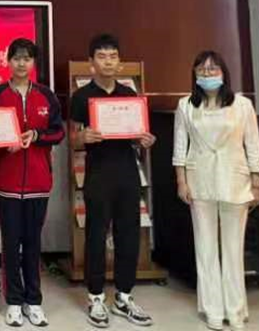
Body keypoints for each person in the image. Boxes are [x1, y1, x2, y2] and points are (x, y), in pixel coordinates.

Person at [173, 51, 259, 331]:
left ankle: (235, 310)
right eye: (202, 69)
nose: (208, 74)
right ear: (194, 74)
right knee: (205, 247)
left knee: (233, 248)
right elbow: (180, 147)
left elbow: (253, 145)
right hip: (199, 180)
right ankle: (212, 308)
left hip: (235, 179)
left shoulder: (242, 105)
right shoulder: (186, 105)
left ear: (224, 72)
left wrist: (257, 182)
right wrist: (181, 181)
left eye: (213, 69)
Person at [69, 34, 155, 328]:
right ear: (91, 62)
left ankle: (124, 296)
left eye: (113, 56)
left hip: (127, 172)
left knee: (128, 234)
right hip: (98, 174)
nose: (108, 61)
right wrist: (83, 136)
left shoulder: (129, 95)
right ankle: (95, 296)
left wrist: (145, 140)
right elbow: (73, 139)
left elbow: (138, 136)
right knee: (95, 235)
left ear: (119, 62)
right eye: (102, 56)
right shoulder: (82, 97)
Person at [0, 38, 64, 327]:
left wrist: (37, 136)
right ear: (8, 61)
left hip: (38, 182)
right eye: (16, 58)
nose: (21, 63)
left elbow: (58, 133)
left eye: (27, 58)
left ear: (33, 63)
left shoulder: (46, 96)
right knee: (10, 244)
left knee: (33, 244)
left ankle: (33, 301)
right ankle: (13, 301)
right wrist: (1, 142)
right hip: (6, 183)